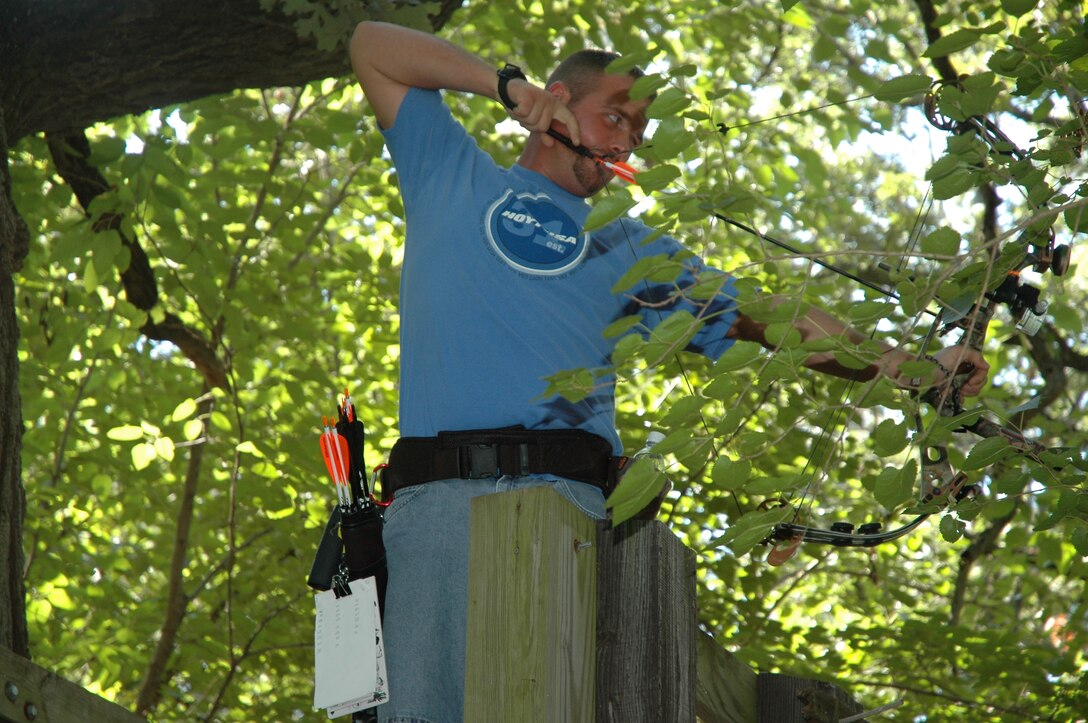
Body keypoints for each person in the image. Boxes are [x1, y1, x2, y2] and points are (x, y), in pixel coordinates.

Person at [348, 20, 989, 723]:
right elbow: (372, 46)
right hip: (434, 510)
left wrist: (905, 365)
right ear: (560, 101)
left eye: (637, 134)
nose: (624, 143)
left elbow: (763, 314)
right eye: (614, 116)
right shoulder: (451, 173)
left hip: (566, 512)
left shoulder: (629, 245)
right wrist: (508, 86)